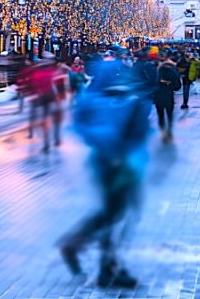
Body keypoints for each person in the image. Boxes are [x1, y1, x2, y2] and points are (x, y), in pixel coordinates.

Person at [59, 59, 151, 288]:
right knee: (118, 215)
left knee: (115, 213)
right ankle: (105, 266)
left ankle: (92, 256)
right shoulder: (120, 99)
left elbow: (81, 125)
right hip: (118, 163)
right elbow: (131, 130)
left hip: (109, 162)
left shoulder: (94, 97)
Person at [153, 56, 181, 142]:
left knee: (160, 116)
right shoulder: (173, 72)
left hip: (158, 97)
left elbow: (152, 85)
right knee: (169, 115)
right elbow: (177, 87)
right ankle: (169, 132)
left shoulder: (156, 72)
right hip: (169, 97)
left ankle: (163, 133)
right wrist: (169, 84)